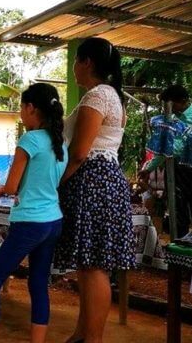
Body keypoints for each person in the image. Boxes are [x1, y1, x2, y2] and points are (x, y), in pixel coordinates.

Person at [54, 37, 136, 343]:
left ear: (87, 62)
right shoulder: (110, 95)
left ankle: (93, 338)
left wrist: (57, 183)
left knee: (94, 265)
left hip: (93, 181)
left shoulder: (97, 97)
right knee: (89, 264)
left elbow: (79, 152)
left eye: (76, 60)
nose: (74, 67)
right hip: (103, 180)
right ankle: (82, 334)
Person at [0, 83, 68, 343]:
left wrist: (4, 188)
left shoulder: (29, 139)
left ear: (31, 108)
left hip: (29, 222)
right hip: (53, 220)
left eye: (21, 106)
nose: (20, 111)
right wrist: (5, 188)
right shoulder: (59, 141)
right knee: (38, 283)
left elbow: (13, 185)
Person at [139, 84, 192, 236]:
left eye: (170, 104)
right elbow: (166, 150)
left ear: (182, 101)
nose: (167, 109)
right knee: (177, 208)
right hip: (176, 169)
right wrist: (149, 168)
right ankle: (179, 244)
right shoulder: (170, 119)